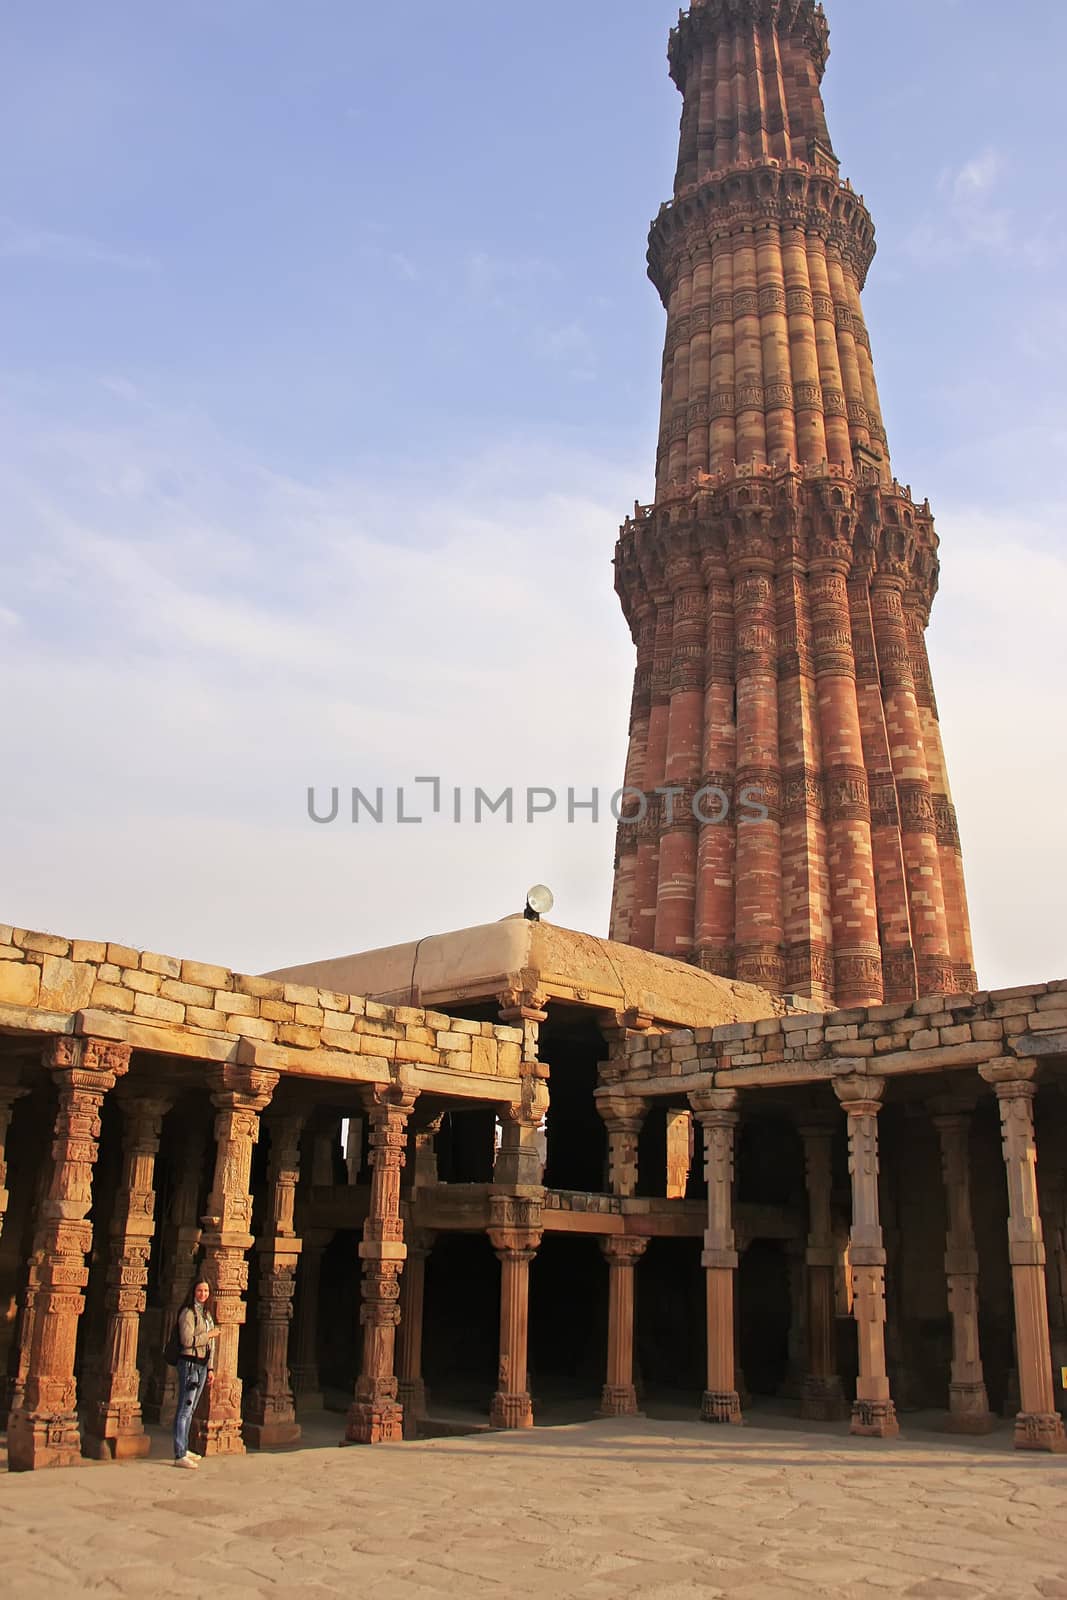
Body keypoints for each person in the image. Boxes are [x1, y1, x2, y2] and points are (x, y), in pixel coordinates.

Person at [173, 1278, 219, 1469]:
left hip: (201, 1364)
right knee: (185, 1408)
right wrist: (208, 1335)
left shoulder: (206, 1314)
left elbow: (211, 1346)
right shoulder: (188, 1313)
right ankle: (179, 1453)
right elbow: (186, 1340)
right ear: (193, 1292)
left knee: (190, 1409)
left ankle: (185, 1448)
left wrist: (210, 1368)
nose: (203, 1294)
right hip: (190, 1363)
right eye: (200, 1291)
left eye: (206, 1291)